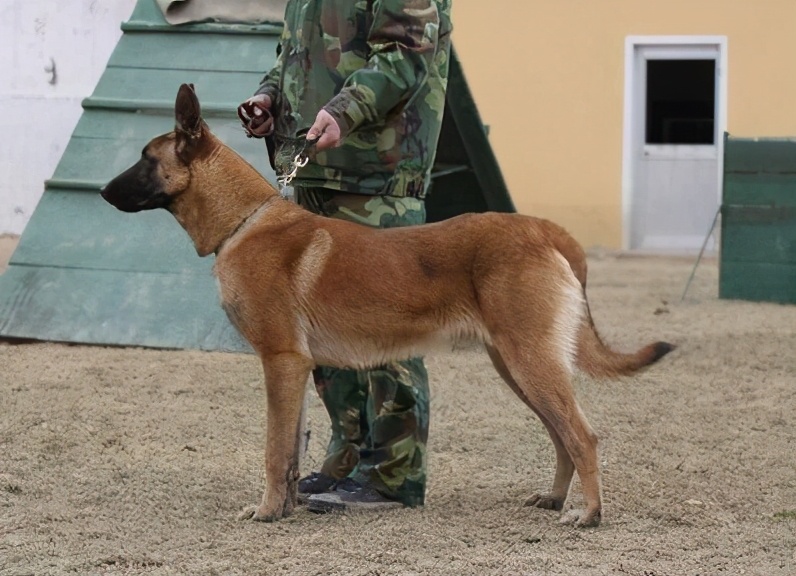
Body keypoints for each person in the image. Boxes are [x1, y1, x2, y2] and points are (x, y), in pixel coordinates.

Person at [238, 0, 452, 512]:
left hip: (379, 176)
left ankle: (394, 476)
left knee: (389, 329)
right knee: (326, 332)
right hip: (315, 167)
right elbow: (298, 57)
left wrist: (343, 110)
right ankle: (349, 458)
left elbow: (406, 54)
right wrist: (269, 98)